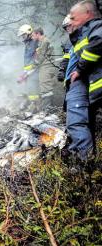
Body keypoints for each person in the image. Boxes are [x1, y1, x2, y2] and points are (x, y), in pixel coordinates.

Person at [67, 0, 101, 160]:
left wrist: (80, 69)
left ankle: (86, 162)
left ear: (87, 14)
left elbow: (98, 43)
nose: (70, 21)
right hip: (93, 89)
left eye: (74, 18)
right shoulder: (82, 34)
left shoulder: (96, 26)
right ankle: (87, 163)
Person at [31, 28, 56, 109]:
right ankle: (46, 108)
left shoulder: (45, 42)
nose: (32, 37)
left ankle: (47, 109)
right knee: (44, 86)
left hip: (47, 67)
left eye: (33, 35)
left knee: (45, 87)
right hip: (45, 66)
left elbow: (40, 57)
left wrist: (34, 65)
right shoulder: (42, 42)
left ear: (38, 34)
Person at [17, 24, 40, 109]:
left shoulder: (34, 43)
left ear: (29, 33)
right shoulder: (28, 44)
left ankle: (35, 107)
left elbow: (36, 59)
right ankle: (31, 106)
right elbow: (27, 61)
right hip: (29, 72)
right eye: (22, 36)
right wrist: (24, 73)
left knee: (33, 89)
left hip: (34, 71)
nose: (23, 37)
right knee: (29, 89)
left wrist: (27, 73)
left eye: (24, 35)